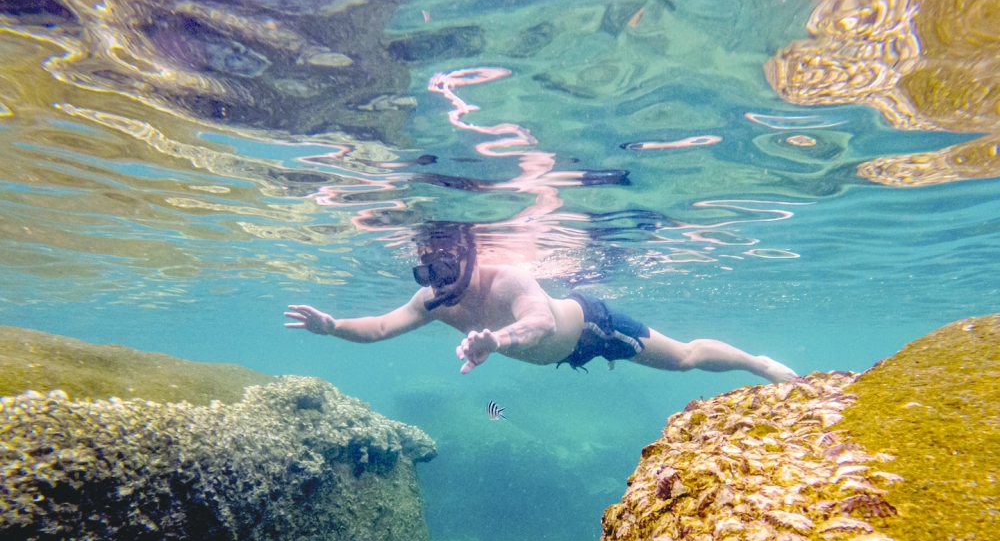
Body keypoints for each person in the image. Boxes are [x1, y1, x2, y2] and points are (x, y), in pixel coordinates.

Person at [284, 223, 797, 383]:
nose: (437, 282)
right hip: (563, 354)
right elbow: (377, 327)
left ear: (469, 255)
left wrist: (497, 340)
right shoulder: (434, 301)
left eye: (445, 268)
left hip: (593, 327)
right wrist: (334, 326)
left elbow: (541, 319)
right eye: (426, 272)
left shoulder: (506, 279)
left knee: (684, 359)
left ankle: (761, 365)